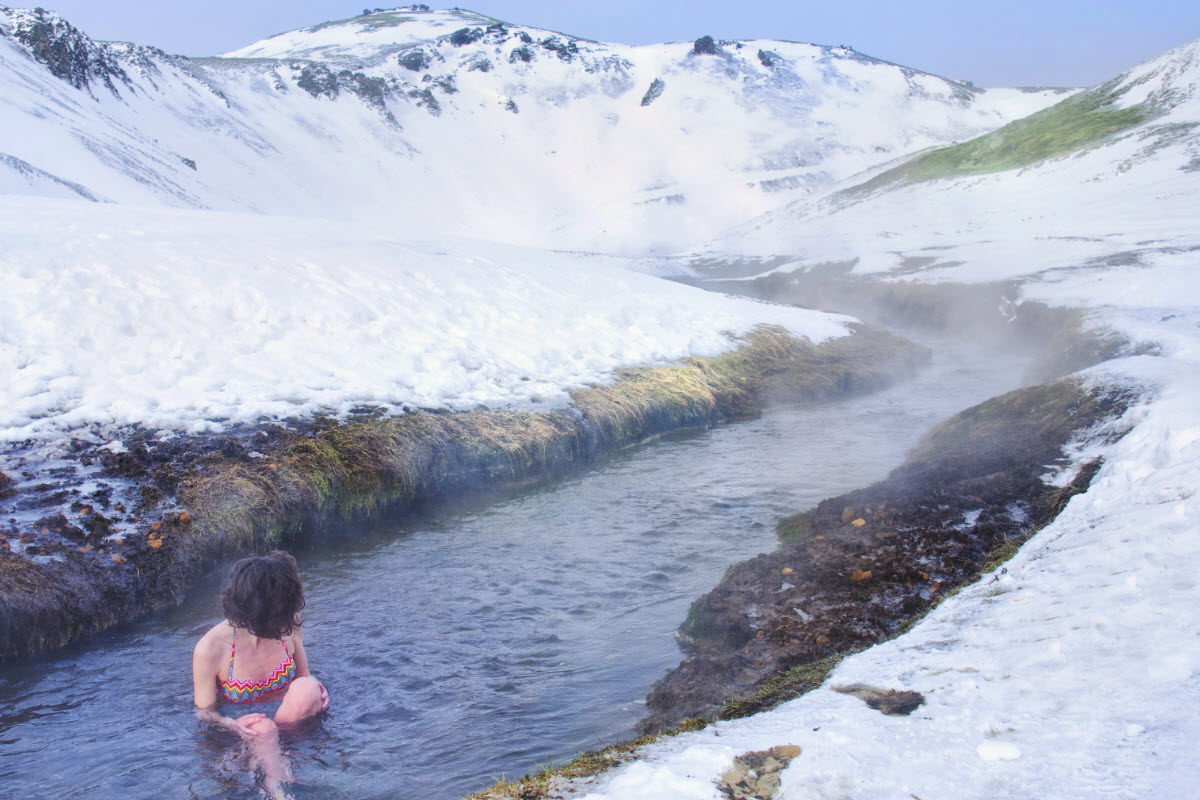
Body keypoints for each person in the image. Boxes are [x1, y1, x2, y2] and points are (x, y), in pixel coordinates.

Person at [193, 550, 329, 798]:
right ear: (260, 611)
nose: (288, 619)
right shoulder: (210, 648)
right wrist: (233, 725)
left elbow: (304, 677)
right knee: (264, 729)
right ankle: (277, 790)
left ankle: (288, 762)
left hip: (290, 723)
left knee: (307, 689)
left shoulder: (289, 622)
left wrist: (318, 689)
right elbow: (204, 712)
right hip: (246, 731)